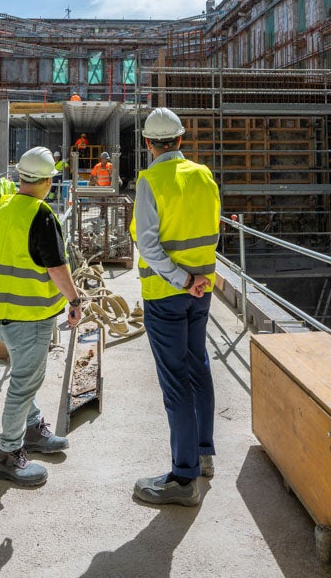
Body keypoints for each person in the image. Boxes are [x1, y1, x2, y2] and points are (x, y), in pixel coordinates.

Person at [129, 107, 220, 507]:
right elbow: (213, 228)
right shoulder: (204, 175)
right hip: (203, 289)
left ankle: (184, 480)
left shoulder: (151, 180)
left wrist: (180, 278)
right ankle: (203, 455)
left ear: (149, 144)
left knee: (175, 381)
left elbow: (148, 244)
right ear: (181, 140)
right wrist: (196, 279)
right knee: (198, 365)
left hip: (168, 293)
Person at [0, 146, 83, 487]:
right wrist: (74, 299)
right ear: (47, 181)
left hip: (2, 313)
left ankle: (32, 429)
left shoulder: (5, 208)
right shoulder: (40, 215)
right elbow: (56, 266)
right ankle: (8, 456)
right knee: (24, 383)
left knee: (23, 375)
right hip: (30, 316)